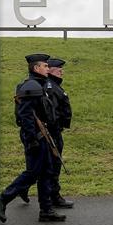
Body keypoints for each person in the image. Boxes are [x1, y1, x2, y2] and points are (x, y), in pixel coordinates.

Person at [0, 54, 66, 223]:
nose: (47, 68)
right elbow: (25, 115)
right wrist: (31, 139)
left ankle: (46, 210)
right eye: (44, 66)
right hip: (36, 136)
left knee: (47, 172)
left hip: (43, 135)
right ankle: (2, 199)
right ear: (36, 68)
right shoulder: (31, 86)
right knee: (33, 173)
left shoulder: (38, 85)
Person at [45, 58, 75, 209]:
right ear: (49, 70)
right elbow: (52, 112)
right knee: (54, 164)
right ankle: (54, 197)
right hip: (53, 132)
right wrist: (56, 128)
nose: (61, 71)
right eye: (58, 69)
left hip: (56, 130)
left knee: (46, 165)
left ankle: (25, 188)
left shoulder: (55, 85)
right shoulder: (50, 87)